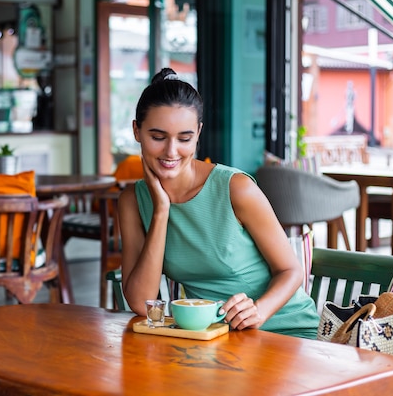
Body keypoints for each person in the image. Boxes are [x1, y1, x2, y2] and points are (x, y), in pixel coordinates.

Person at [119, 68, 319, 339]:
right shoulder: (133, 201)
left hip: (285, 331)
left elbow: (291, 270)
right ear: (136, 131)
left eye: (184, 138)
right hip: (216, 339)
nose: (171, 151)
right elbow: (140, 302)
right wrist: (161, 211)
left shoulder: (236, 189)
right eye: (158, 137)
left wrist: (258, 311)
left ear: (198, 133)